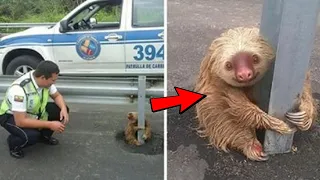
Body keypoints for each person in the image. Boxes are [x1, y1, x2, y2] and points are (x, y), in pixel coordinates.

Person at [0, 61, 70, 158]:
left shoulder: (44, 79)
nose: (54, 82)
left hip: (33, 111)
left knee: (60, 110)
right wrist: (50, 124)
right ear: (42, 78)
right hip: (10, 115)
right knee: (31, 136)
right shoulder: (19, 90)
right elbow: (21, 121)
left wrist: (63, 109)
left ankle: (43, 137)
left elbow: (57, 96)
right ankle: (14, 143)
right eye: (53, 80)